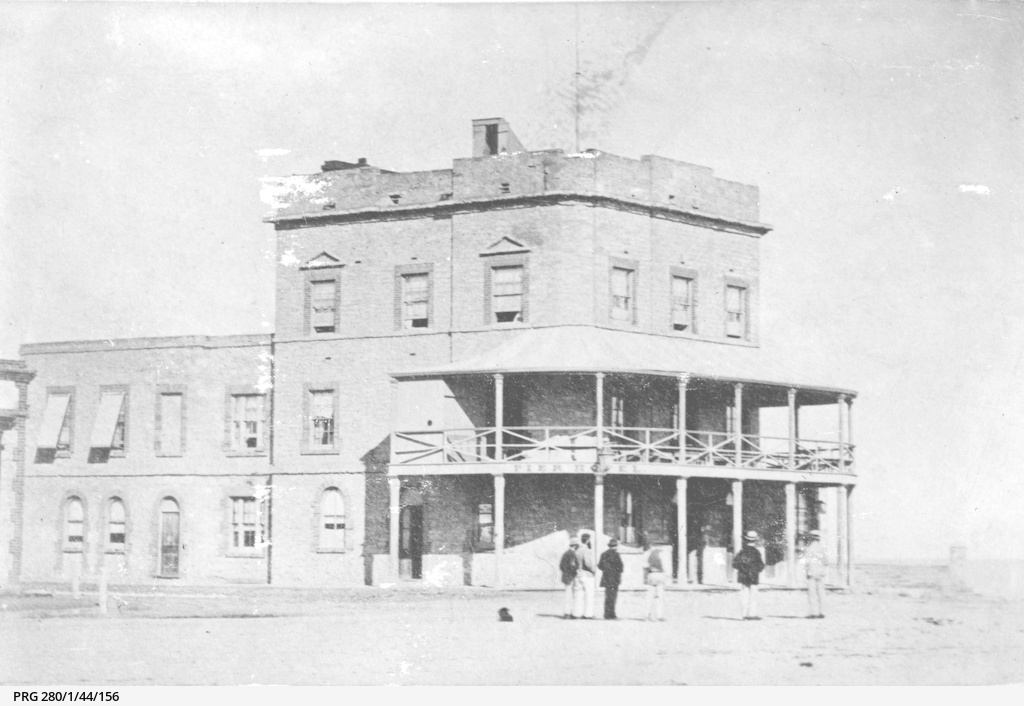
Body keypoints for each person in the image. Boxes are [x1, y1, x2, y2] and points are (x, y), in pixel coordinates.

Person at [732, 530, 766, 620]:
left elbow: (735, 563)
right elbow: (761, 565)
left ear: (746, 540)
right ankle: (752, 614)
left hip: (743, 576)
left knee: (744, 595)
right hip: (753, 576)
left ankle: (744, 615)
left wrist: (743, 570)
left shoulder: (742, 552)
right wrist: (755, 570)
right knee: (753, 595)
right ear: (755, 541)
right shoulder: (756, 552)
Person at [802, 529, 829, 619]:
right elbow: (826, 562)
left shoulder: (809, 548)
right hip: (820, 573)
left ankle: (814, 613)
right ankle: (823, 612)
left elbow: (806, 561)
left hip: (811, 573)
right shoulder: (823, 548)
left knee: (812, 594)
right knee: (821, 593)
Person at [598, 538, 624, 620]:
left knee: (607, 596)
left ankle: (606, 614)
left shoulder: (603, 554)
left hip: (606, 578)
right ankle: (612, 614)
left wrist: (606, 570)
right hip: (614, 579)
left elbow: (600, 566)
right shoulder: (616, 555)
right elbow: (621, 567)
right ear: (616, 546)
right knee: (613, 597)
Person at [574, 533, 597, 619]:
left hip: (578, 574)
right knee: (589, 595)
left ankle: (576, 614)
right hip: (587, 575)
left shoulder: (577, 550)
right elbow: (588, 563)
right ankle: (588, 614)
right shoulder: (586, 550)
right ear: (588, 540)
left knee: (578, 595)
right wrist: (593, 570)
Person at [643, 544, 668, 621]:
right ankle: (659, 615)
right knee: (660, 596)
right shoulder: (662, 553)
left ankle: (646, 615)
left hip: (651, 574)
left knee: (649, 596)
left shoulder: (647, 553)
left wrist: (645, 577)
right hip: (660, 574)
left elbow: (645, 566)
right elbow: (666, 566)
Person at [559, 538, 580, 619]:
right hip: (571, 577)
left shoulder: (566, 553)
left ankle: (568, 613)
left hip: (567, 576)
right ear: (574, 546)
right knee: (569, 595)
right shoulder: (571, 554)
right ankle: (568, 613)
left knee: (568, 595)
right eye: (577, 546)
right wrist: (574, 570)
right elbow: (572, 566)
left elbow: (561, 566)